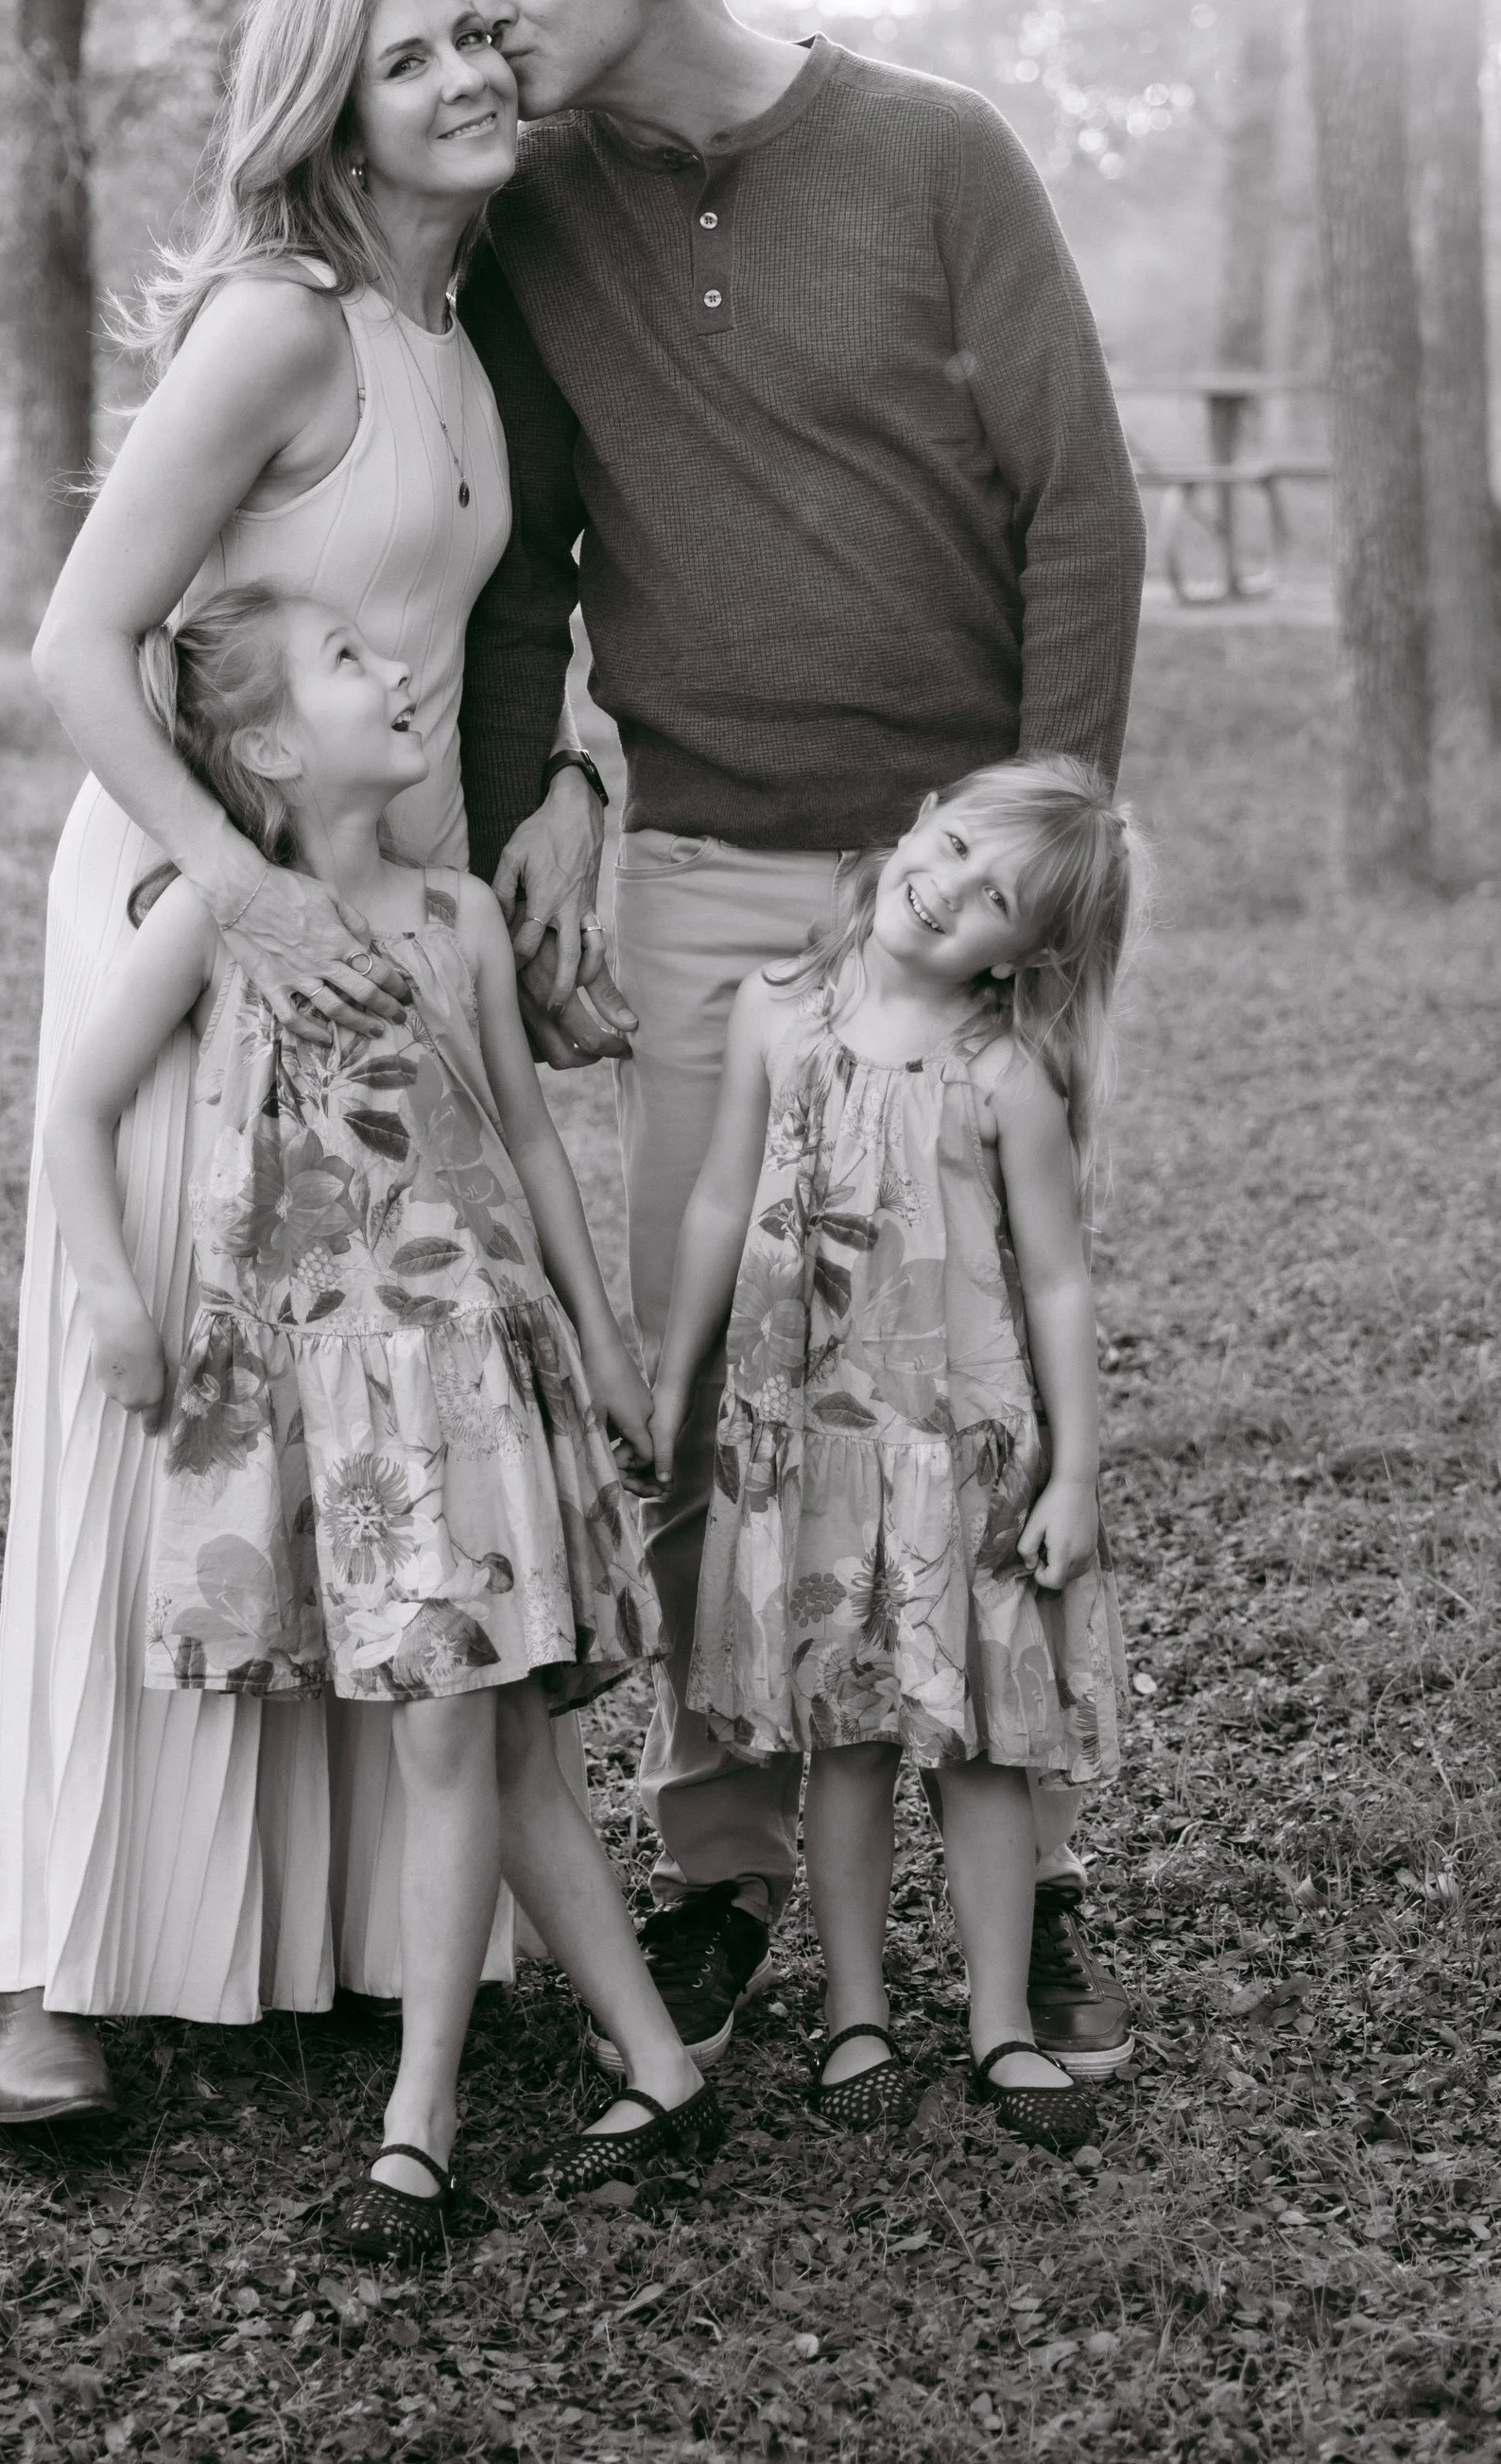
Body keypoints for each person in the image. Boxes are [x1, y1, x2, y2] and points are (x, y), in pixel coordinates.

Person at [454, 0, 1147, 2078]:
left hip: (945, 893)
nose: (481, 2)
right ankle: (728, 1857)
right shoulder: (530, 206)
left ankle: (1027, 1870)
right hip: (710, 884)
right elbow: (522, 559)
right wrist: (522, 815)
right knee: (707, 1389)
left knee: (976, 1387)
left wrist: (1034, 873)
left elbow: (1076, 506)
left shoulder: (933, 153)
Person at [0, 0, 625, 2128]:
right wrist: (235, 889)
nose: (463, 76)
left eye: (472, 39)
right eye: (405, 58)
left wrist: (550, 804)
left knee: (345, 1416)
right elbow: (77, 644)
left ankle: (323, 1934)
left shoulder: (460, 330)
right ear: (329, 114)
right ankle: (59, 1968)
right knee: (161, 1392)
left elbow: (478, 624)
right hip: (198, 899)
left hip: (373, 932)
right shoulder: (280, 323)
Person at [43, 583, 716, 2257]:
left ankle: (424, 2115)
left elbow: (533, 1143)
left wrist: (605, 1342)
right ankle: (654, 2063)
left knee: (467, 1733)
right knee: (489, 1737)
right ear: (272, 747)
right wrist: (116, 1299)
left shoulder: (456, 918)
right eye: (348, 661)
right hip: (339, 1401)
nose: (398, 668)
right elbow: (76, 1104)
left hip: (475, 1377)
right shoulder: (224, 920)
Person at [648, 758, 1138, 2144]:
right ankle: (853, 2011)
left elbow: (1059, 1283)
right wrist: (676, 1376)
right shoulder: (777, 1009)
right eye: (959, 845)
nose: (950, 889)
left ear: (1025, 955)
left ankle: (998, 2022)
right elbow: (719, 1201)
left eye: (998, 900)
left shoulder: (1006, 1074)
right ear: (920, 816)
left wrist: (1075, 1473)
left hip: (959, 1458)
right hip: (811, 1448)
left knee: (980, 1750)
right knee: (847, 1741)